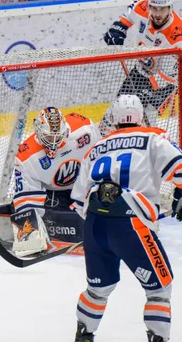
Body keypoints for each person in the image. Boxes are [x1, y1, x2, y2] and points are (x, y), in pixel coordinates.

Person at [71, 95, 179, 342]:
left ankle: (83, 336)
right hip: (132, 226)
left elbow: (78, 200)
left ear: (114, 118)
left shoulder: (96, 147)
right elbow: (180, 167)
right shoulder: (154, 136)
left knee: (98, 290)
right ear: (140, 116)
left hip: (95, 226)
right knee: (159, 290)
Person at [0, 108, 101, 256]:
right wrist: (30, 239)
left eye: (58, 137)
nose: (54, 143)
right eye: (49, 138)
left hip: (84, 187)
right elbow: (26, 198)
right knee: (52, 219)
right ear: (38, 132)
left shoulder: (84, 129)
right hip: (55, 195)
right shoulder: (26, 156)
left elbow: (104, 154)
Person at [100, 0, 182, 136]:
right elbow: (127, 17)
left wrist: (148, 93)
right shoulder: (142, 6)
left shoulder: (177, 36)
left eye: (162, 9)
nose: (157, 13)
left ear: (170, 8)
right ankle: (101, 139)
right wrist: (118, 29)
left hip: (166, 82)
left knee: (147, 114)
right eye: (154, 8)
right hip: (141, 71)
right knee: (118, 106)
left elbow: (169, 75)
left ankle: (153, 142)